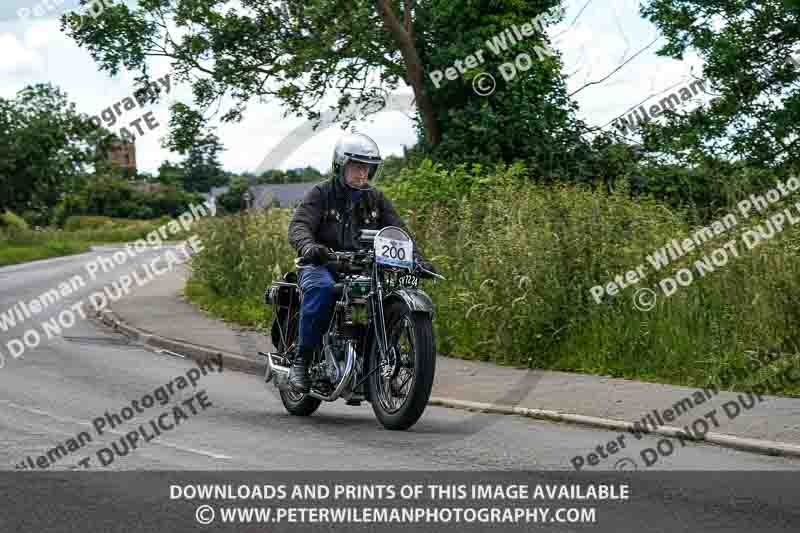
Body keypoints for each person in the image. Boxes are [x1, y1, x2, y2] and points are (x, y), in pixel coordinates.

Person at [286, 132, 435, 393]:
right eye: (356, 166)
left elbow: (399, 234)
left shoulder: (375, 199)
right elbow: (299, 225)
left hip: (364, 267)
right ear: (340, 166)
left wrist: (417, 260)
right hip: (323, 264)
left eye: (366, 168)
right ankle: (302, 360)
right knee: (321, 290)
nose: (361, 173)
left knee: (381, 297)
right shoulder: (321, 193)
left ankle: (372, 362)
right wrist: (310, 247)